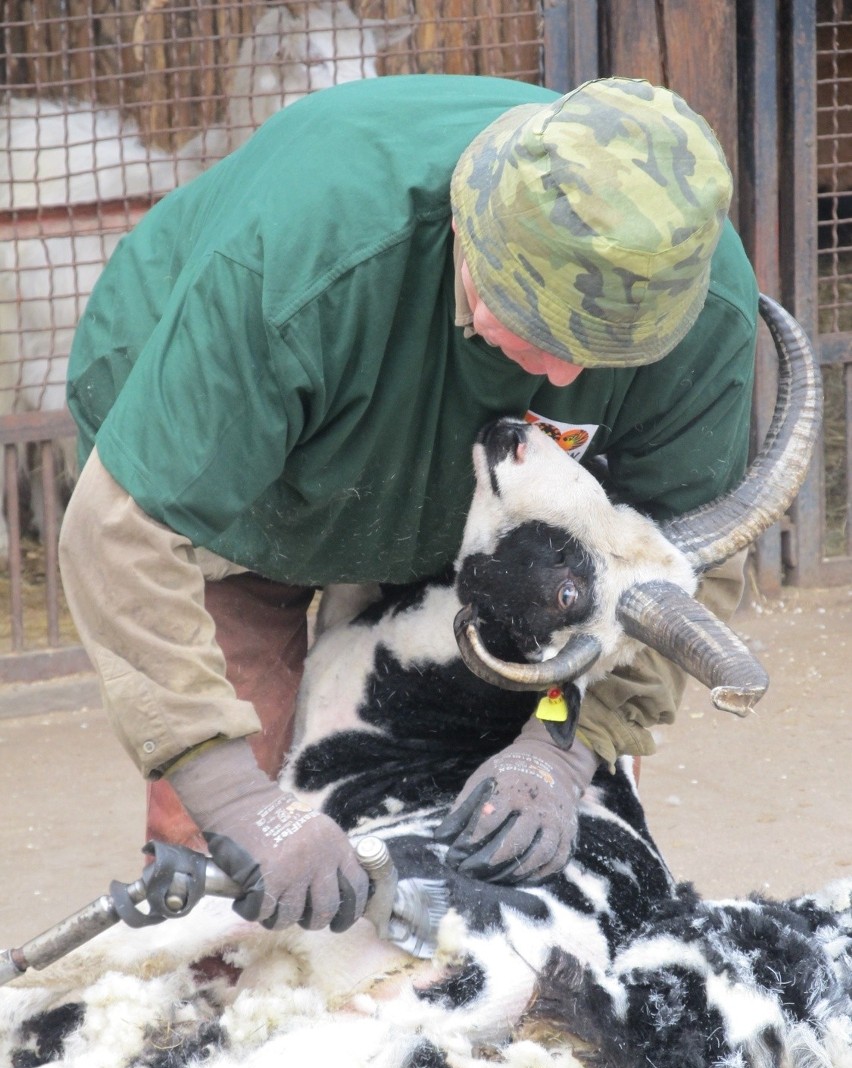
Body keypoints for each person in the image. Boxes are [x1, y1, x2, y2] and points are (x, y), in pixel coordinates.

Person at [58, 74, 757, 934]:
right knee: (232, 854)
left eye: (601, 353)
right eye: (536, 328)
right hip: (237, 491)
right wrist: (236, 797)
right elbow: (121, 533)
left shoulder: (691, 299)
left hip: (473, 523)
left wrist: (565, 750)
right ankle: (203, 993)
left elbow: (677, 566)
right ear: (473, 236)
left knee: (535, 846)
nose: (564, 377)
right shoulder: (305, 256)